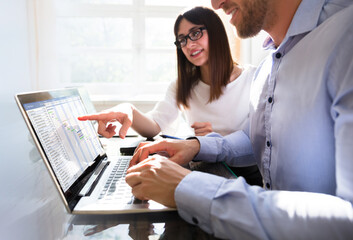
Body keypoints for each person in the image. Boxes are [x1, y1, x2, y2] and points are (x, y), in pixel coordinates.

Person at [120, 0, 353, 238]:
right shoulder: (268, 66)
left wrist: (188, 188)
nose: (215, 3)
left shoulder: (345, 36)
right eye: (182, 40)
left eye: (196, 33)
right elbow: (256, 139)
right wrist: (195, 146)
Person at [78, 7, 262, 186]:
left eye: (196, 33)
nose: (189, 45)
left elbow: (261, 141)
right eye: (182, 40)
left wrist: (211, 141)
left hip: (248, 176)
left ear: (216, 32)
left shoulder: (255, 78)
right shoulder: (182, 85)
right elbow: (154, 126)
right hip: (207, 172)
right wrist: (128, 110)